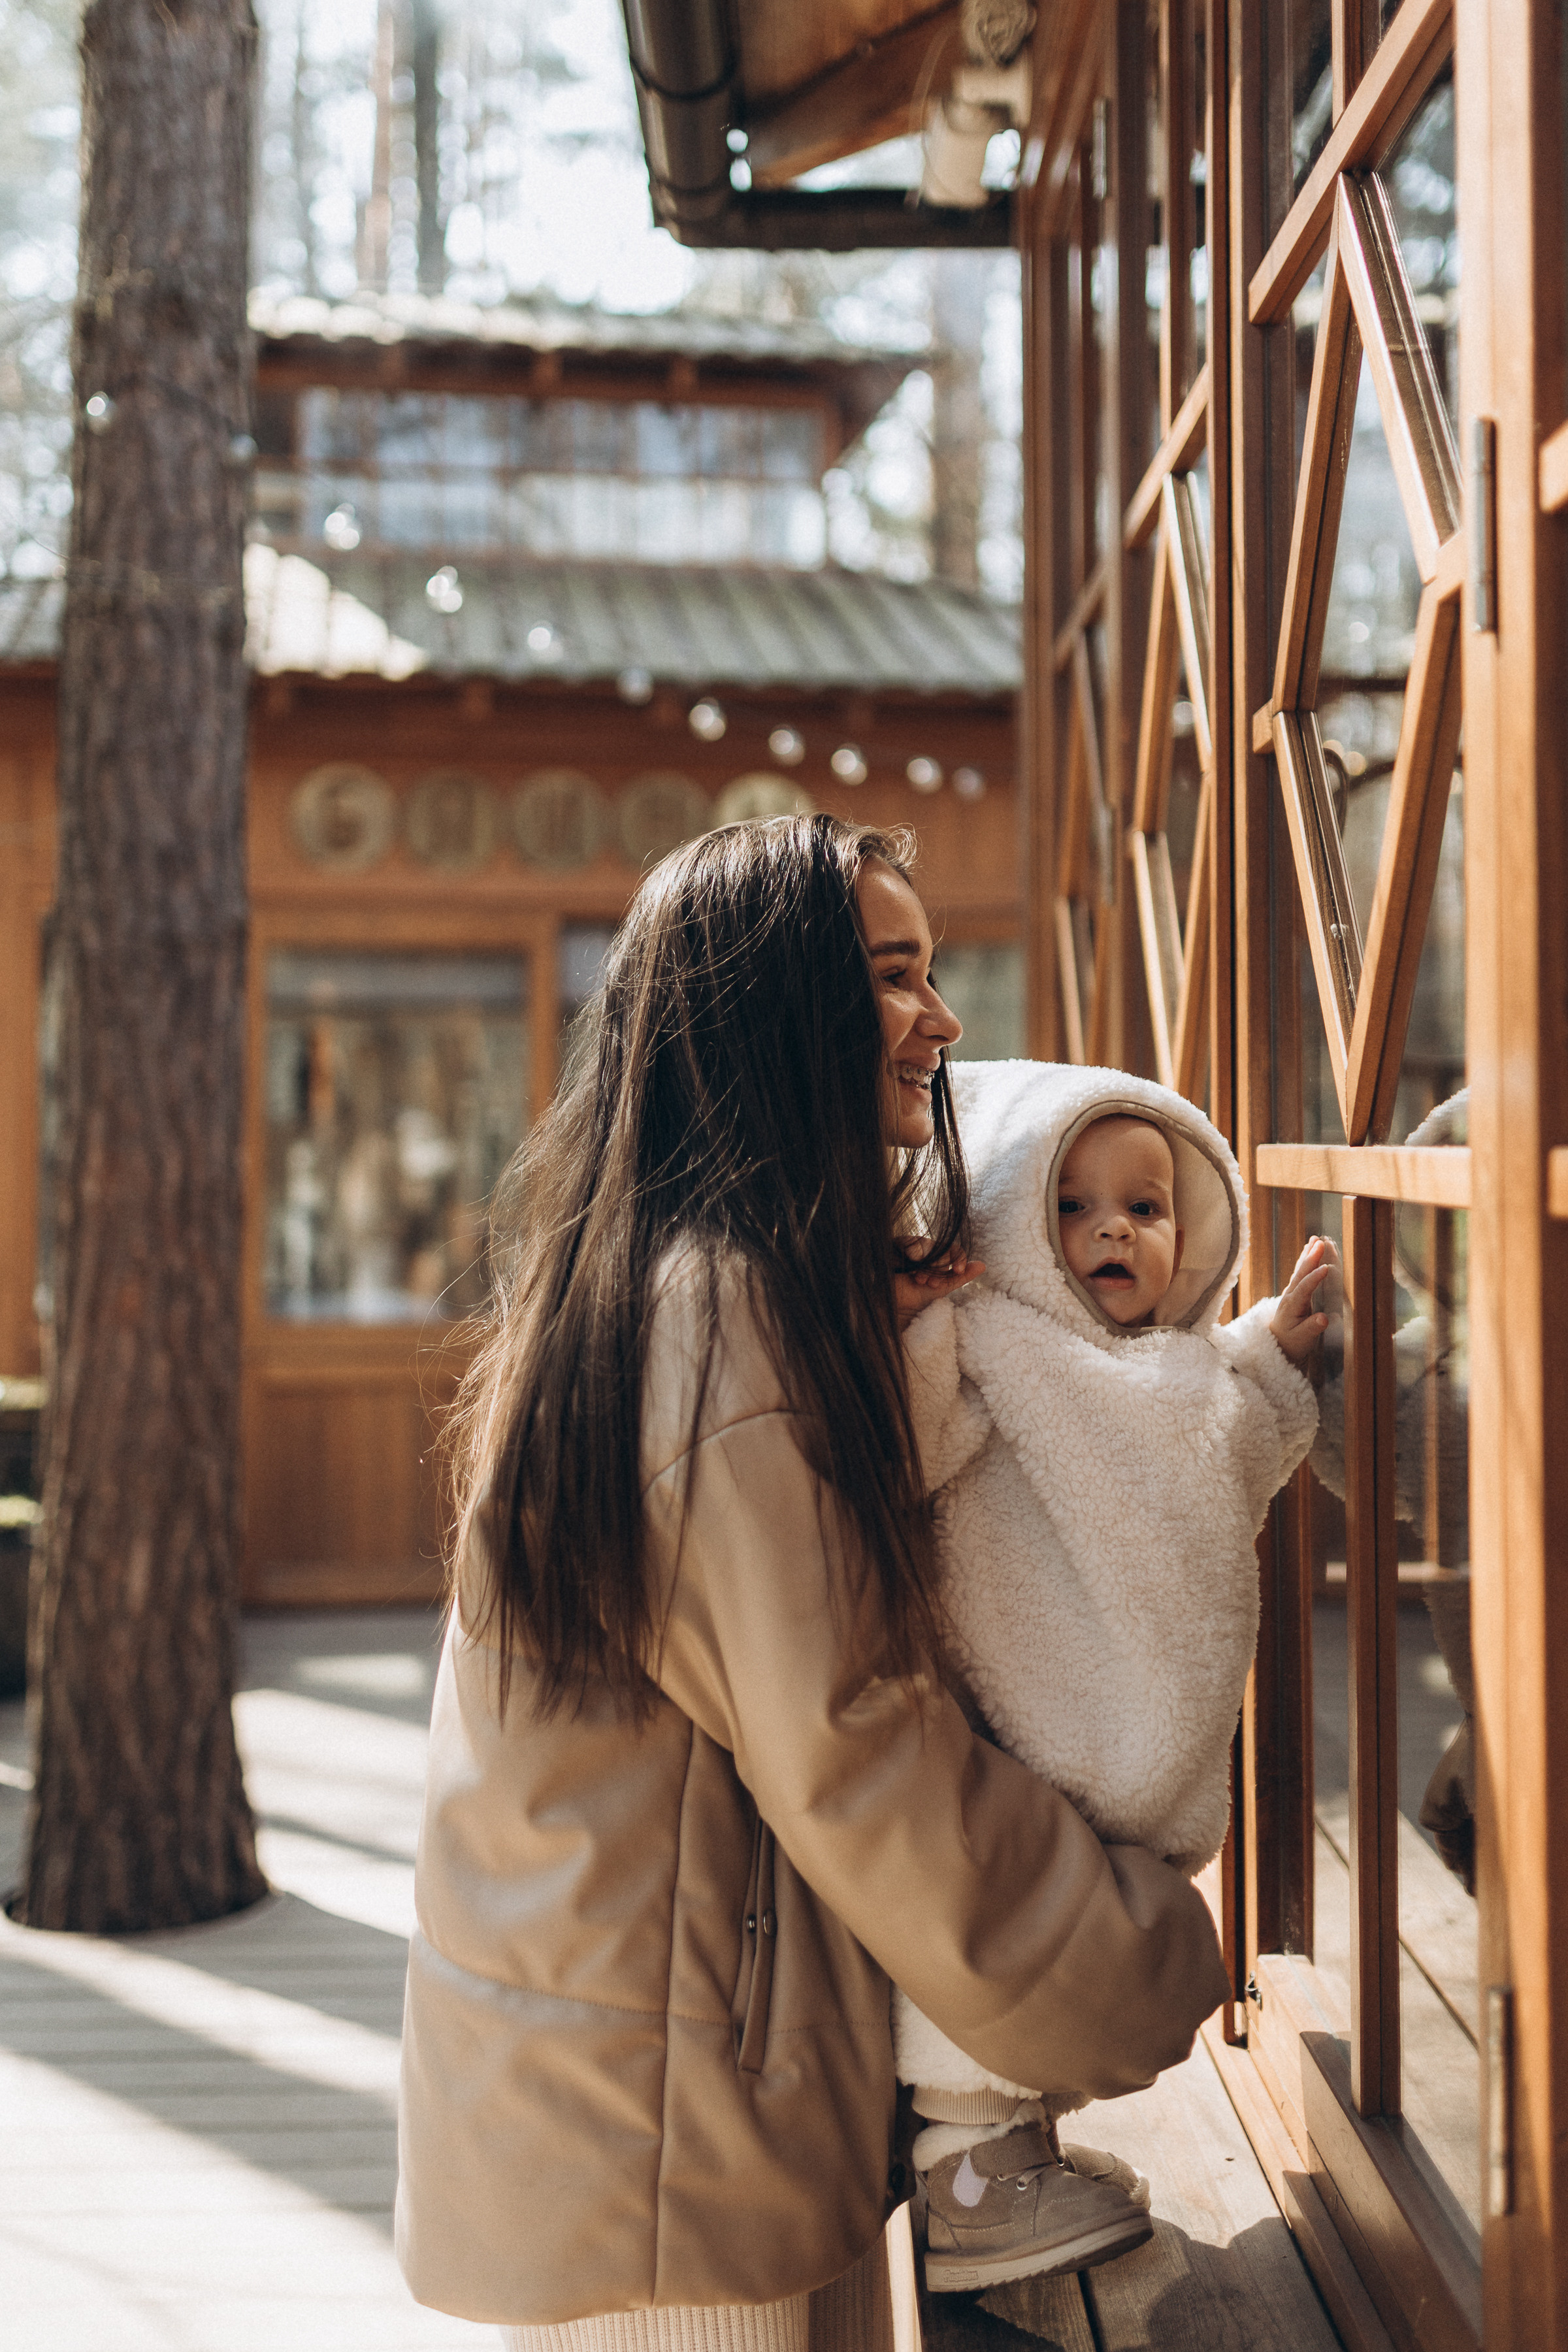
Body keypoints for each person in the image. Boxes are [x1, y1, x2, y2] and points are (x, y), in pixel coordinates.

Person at [395, 819, 1230, 2351]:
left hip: (654, 2107)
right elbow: (857, 1749)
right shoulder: (712, 1331)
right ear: (780, 1011)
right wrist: (1139, 1950)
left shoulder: (666, 1280)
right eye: (893, 976)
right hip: (677, 2163)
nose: (942, 1017)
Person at [894, 1058, 1337, 2293]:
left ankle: (1020, 2147)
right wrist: (909, 1322)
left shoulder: (1181, 1367)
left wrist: (1275, 1351)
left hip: (1141, 1732)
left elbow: (1227, 1438)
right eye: (1074, 1209)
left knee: (1072, 1955)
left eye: (1145, 1208)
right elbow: (907, 1444)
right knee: (993, 1936)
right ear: (1014, 1231)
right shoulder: (989, 1344)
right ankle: (968, 2173)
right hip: (1025, 1719)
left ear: (1188, 1237)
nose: (1112, 1231)